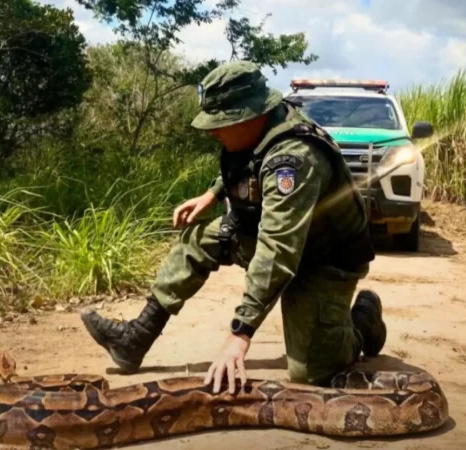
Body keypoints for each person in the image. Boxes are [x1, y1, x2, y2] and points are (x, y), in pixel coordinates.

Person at [80, 60, 387, 393]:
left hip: (324, 259)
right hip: (279, 235)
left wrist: (239, 334)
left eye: (220, 123)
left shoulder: (294, 159)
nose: (212, 132)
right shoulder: (261, 128)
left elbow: (277, 250)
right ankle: (135, 337)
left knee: (311, 374)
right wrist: (211, 194)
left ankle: (363, 321)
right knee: (196, 241)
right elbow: (250, 162)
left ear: (251, 114)